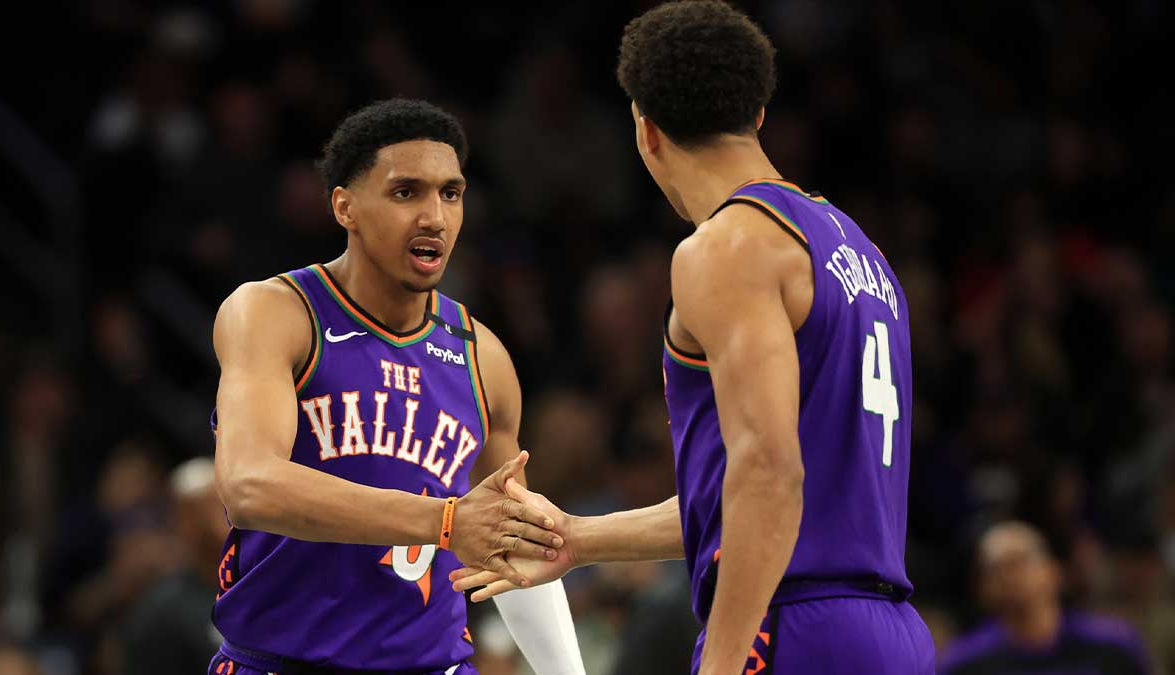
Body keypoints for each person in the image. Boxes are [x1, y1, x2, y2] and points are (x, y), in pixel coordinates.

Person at [451, 2, 933, 673]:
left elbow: (766, 473)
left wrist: (724, 661)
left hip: (789, 625)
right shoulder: (860, 251)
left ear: (646, 131)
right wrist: (580, 537)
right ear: (758, 113)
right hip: (891, 633)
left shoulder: (727, 246)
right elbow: (762, 494)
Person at [210, 99, 583, 675]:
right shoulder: (276, 312)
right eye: (406, 192)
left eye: (450, 194)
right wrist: (446, 521)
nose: (434, 216)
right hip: (282, 661)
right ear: (345, 206)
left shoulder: (482, 356)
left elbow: (512, 549)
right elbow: (248, 487)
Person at [939, 521, 1151, 675]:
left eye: (1019, 562)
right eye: (994, 569)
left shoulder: (1113, 647)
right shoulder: (965, 664)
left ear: (1054, 571)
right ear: (983, 589)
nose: (1008, 576)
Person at [119, 458, 227, 675]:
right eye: (216, 509)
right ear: (184, 521)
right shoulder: (161, 611)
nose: (230, 520)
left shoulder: (265, 588)